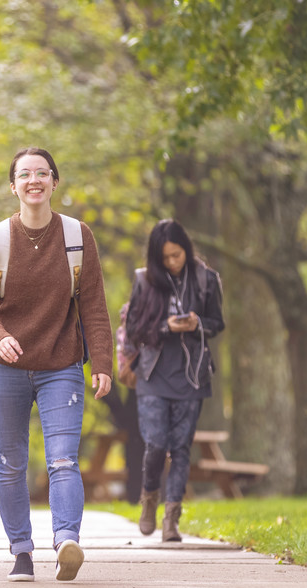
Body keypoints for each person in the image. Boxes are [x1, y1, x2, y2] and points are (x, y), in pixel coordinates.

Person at [0, 147, 113, 582]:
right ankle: (21, 552)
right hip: (5, 368)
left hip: (61, 365)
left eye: (42, 173)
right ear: (13, 186)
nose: (34, 181)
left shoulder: (76, 236)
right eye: (24, 175)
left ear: (54, 182)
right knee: (11, 463)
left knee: (64, 460)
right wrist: (1, 336)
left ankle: (67, 540)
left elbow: (94, 306)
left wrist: (103, 363)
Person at [122, 218, 224, 541]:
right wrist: (167, 327)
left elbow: (217, 323)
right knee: (156, 444)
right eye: (165, 258)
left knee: (181, 448)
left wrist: (196, 323)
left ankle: (171, 521)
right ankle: (149, 498)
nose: (172, 262)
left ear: (186, 250)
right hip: (153, 374)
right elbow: (135, 330)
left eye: (177, 255)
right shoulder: (144, 281)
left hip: (192, 376)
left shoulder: (207, 279)